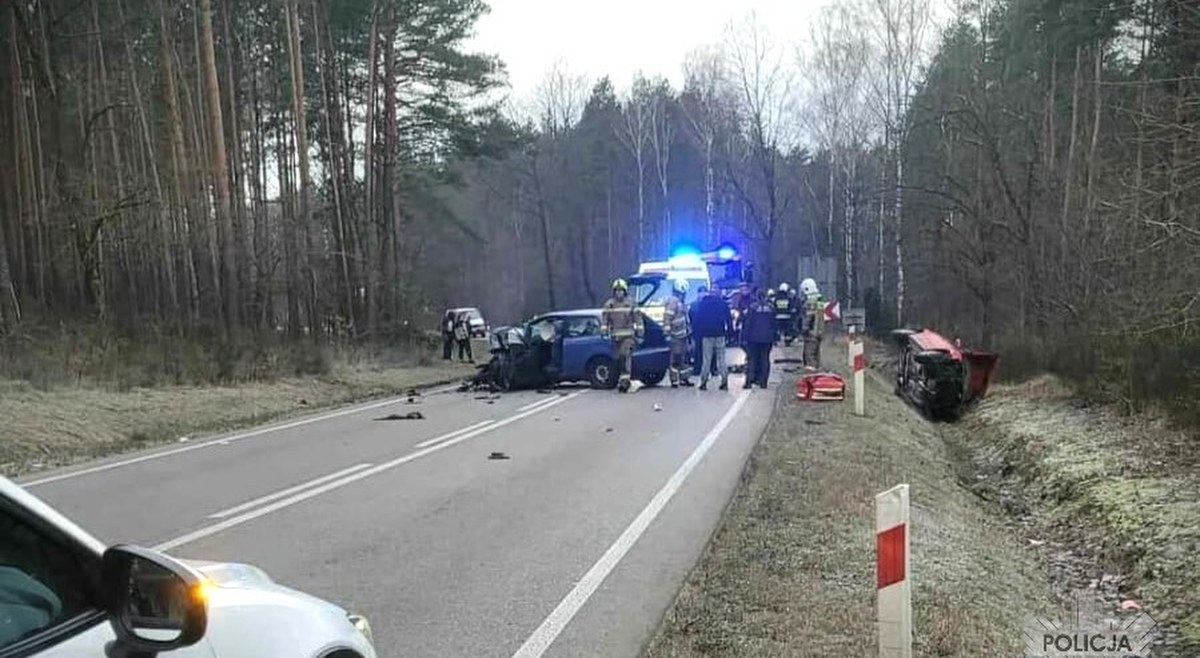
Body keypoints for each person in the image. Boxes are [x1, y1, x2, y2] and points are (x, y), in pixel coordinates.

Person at [602, 278, 643, 393]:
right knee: (618, 359)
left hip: (628, 337)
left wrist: (640, 334)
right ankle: (621, 380)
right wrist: (604, 333)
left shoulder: (631, 303)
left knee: (625, 356)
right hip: (615, 338)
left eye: (621, 290)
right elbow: (605, 321)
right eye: (617, 290)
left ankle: (625, 382)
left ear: (625, 291)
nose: (619, 293)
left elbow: (638, 320)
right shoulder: (609, 305)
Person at [691, 286, 732, 390]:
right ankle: (724, 381)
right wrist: (730, 334)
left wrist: (695, 334)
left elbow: (697, 320)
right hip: (720, 334)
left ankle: (703, 382)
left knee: (706, 359)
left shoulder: (703, 304)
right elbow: (729, 320)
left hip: (706, 335)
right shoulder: (723, 304)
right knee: (721, 358)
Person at [740, 288, 776, 389]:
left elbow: (748, 323)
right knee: (765, 359)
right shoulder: (771, 308)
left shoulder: (752, 307)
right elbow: (774, 324)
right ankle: (763, 382)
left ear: (756, 296)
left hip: (753, 338)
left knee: (752, 360)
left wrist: (744, 337)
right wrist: (774, 337)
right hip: (767, 338)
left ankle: (749, 382)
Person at [662, 278, 693, 388]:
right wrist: (667, 334)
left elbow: (684, 318)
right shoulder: (672, 302)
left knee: (683, 358)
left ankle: (684, 378)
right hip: (675, 335)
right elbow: (667, 318)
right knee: (675, 358)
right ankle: (674, 381)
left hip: (683, 335)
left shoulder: (680, 302)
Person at [800, 277, 826, 368]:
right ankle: (817, 374)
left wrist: (804, 328)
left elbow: (809, 317)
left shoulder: (810, 301)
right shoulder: (819, 300)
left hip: (811, 333)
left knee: (809, 355)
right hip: (819, 331)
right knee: (816, 354)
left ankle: (811, 376)